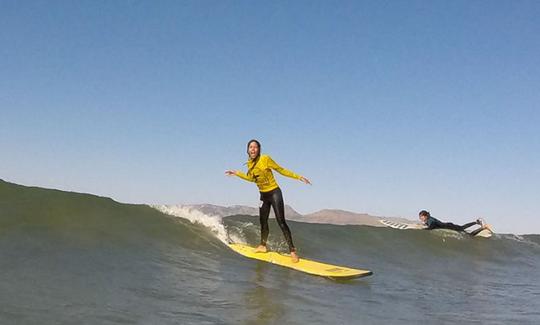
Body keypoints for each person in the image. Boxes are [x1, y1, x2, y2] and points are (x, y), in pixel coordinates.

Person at [226, 139, 311, 263]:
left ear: (259, 149)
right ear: (247, 150)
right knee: (263, 221)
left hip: (274, 192)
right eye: (250, 147)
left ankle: (292, 251)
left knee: (281, 221)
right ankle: (263, 246)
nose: (253, 149)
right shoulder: (249, 164)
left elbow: (280, 169)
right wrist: (237, 173)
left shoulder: (265, 159)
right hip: (263, 195)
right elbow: (251, 179)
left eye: (255, 147)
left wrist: (298, 177)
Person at [418, 210, 492, 236]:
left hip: (450, 227)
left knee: (469, 234)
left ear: (425, 216)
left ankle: (481, 226)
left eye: (421, 217)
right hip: (448, 225)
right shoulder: (429, 219)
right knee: (463, 228)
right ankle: (477, 222)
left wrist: (423, 230)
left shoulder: (431, 220)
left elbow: (431, 227)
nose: (420, 218)